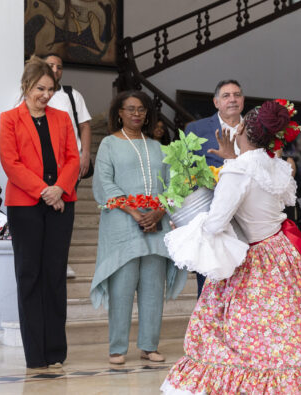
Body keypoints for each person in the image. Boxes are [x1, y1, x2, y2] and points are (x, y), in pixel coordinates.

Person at [162, 100, 301, 394]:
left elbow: (217, 222)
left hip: (253, 256)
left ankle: (261, 378)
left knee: (248, 328)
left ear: (241, 128)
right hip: (281, 251)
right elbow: (254, 188)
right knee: (289, 324)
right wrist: (231, 159)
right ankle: (299, 368)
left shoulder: (237, 171)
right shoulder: (277, 166)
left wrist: (188, 225)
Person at [91, 90, 187, 365]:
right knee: (121, 288)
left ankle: (148, 345)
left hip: (156, 226)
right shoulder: (109, 143)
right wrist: (134, 212)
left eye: (141, 109)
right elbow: (105, 183)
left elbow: (174, 187)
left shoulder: (159, 147)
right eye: (130, 109)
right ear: (119, 112)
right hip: (123, 224)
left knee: (153, 288)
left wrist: (158, 212)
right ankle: (117, 348)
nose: (136, 113)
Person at [0, 58, 80, 368]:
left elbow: (73, 158)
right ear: (26, 86)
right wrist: (45, 192)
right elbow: (11, 163)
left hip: (62, 203)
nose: (46, 94)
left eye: (50, 89)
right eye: (40, 88)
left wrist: (59, 189)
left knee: (55, 276)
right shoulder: (9, 118)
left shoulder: (62, 118)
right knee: (29, 276)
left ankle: (56, 350)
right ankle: (35, 353)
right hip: (26, 206)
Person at [29, 53, 93, 279]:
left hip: (68, 166)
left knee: (63, 214)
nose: (55, 69)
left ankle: (61, 260)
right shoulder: (27, 97)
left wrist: (85, 153)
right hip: (38, 172)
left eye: (59, 66)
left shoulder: (70, 94)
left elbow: (84, 126)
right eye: (50, 65)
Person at [184, 79, 245, 296]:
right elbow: (185, 173)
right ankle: (209, 327)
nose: (232, 99)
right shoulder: (197, 129)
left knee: (245, 280)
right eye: (226, 95)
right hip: (211, 214)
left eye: (237, 95)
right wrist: (183, 215)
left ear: (243, 100)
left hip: (248, 218)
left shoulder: (255, 130)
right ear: (216, 102)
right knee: (210, 279)